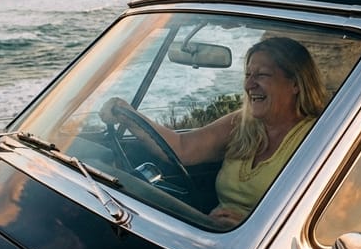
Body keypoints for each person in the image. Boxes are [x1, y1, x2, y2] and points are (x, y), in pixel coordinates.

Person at [101, 36, 326, 226]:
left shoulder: (318, 138)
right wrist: (128, 115)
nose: (249, 85)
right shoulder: (240, 123)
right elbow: (182, 148)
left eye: (262, 75)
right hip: (213, 235)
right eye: (248, 75)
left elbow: (330, 218)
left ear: (295, 84)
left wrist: (250, 223)